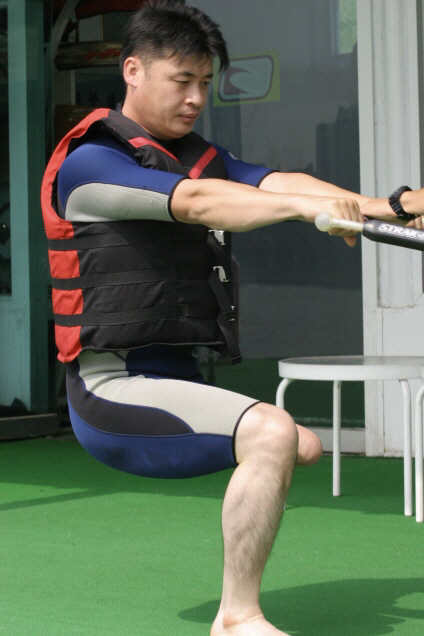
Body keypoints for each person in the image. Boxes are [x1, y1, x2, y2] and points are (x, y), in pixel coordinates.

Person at [40, 2, 424, 634]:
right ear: (132, 70)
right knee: (272, 433)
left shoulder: (194, 154)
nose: (196, 98)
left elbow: (277, 182)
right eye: (181, 81)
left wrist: (397, 205)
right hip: (109, 391)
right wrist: (306, 212)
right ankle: (237, 617)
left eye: (205, 83)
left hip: (175, 380)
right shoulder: (91, 164)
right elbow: (195, 203)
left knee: (299, 443)